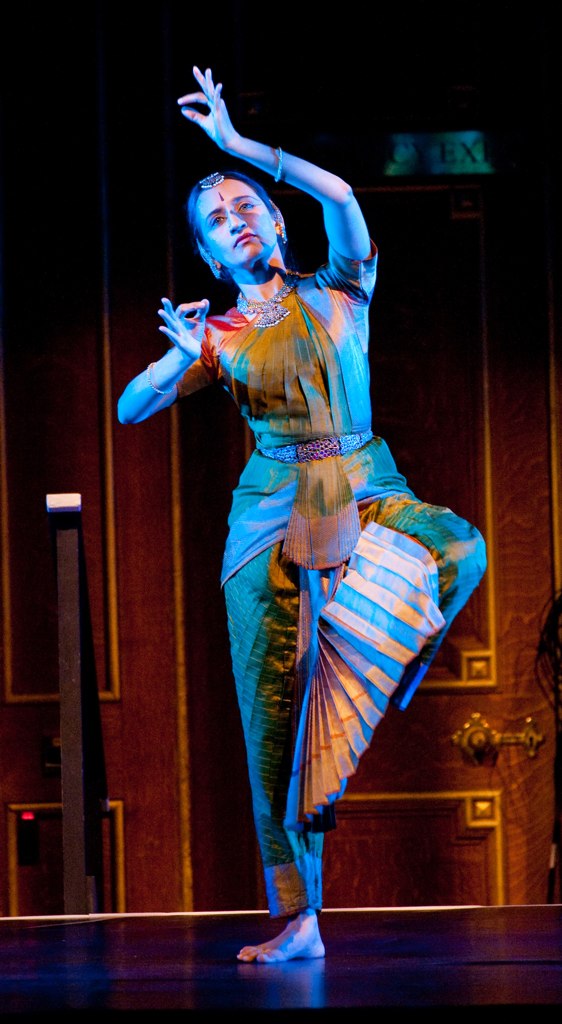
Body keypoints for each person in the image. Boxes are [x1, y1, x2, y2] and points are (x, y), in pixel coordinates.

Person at [117, 65, 487, 963]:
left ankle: (370, 660)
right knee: (274, 725)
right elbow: (130, 408)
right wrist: (177, 357)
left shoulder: (342, 288)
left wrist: (240, 147)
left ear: (277, 221)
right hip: (268, 520)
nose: (235, 220)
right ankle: (300, 919)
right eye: (217, 222)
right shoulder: (217, 334)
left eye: (246, 206)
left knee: (457, 548)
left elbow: (346, 196)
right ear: (211, 258)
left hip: (364, 484)